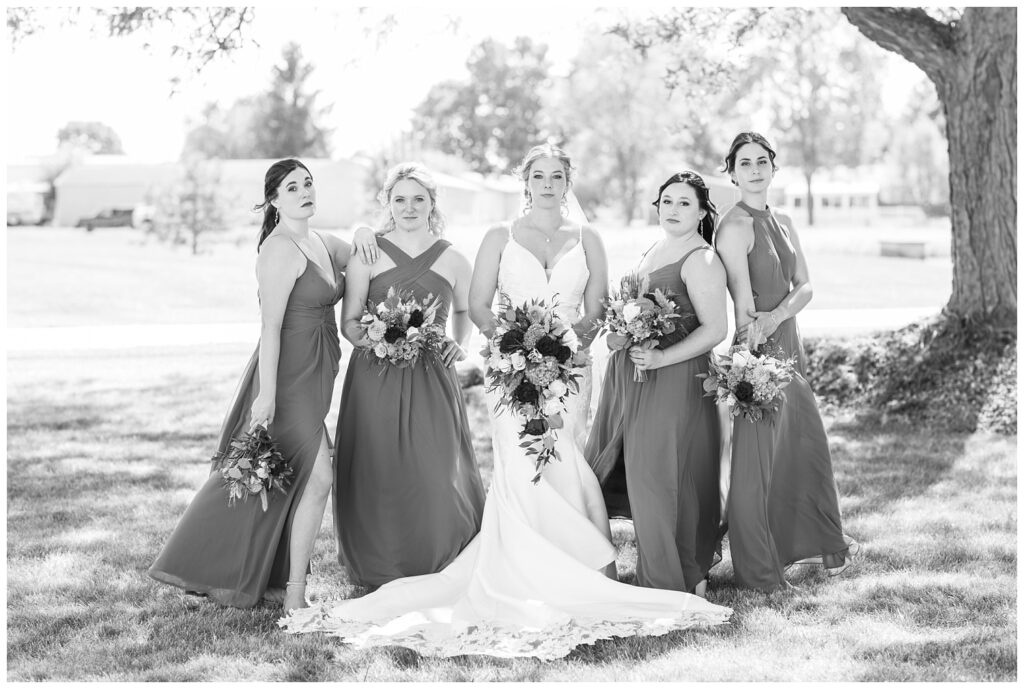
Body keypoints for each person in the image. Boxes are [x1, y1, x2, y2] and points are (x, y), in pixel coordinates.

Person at [279, 144, 731, 661]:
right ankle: (517, 566)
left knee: (565, 460)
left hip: (568, 373)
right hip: (509, 370)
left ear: (568, 180)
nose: (547, 183)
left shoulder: (590, 239)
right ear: (526, 182)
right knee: (520, 465)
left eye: (556, 175)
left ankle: (578, 565)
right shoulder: (498, 236)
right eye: (537, 175)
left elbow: (599, 307)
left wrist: (563, 349)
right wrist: (516, 346)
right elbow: (478, 304)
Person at [149, 158, 379, 613]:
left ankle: (277, 581)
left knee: (286, 479)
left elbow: (355, 253)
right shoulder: (278, 250)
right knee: (315, 478)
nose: (305, 192)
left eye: (308, 184)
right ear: (274, 200)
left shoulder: (315, 239)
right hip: (288, 377)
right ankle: (292, 593)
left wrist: (365, 228)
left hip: (318, 372)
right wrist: (267, 395)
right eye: (292, 188)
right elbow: (270, 329)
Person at [332, 163, 486, 588]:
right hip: (375, 376)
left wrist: (462, 343)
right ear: (388, 203)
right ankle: (382, 561)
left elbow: (462, 311)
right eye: (400, 198)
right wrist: (383, 342)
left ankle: (439, 554)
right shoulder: (369, 253)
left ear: (432, 204)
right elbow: (349, 323)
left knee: (435, 467)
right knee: (379, 466)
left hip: (433, 376)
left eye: (419, 198)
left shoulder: (454, 257)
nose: (409, 207)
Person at [715, 132, 857, 591]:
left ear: (773, 168)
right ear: (732, 172)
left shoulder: (786, 221)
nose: (754, 169)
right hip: (759, 353)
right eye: (744, 163)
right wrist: (748, 358)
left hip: (788, 341)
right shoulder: (734, 227)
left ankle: (814, 540)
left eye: (762, 161)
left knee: (804, 445)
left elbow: (806, 286)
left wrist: (778, 314)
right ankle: (757, 567)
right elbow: (740, 302)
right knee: (757, 461)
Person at [585, 171, 727, 598]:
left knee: (665, 477)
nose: (673, 210)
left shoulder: (701, 259)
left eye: (685, 203)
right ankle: (670, 568)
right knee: (638, 474)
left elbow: (715, 328)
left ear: (702, 212)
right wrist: (618, 335)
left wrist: (663, 355)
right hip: (634, 377)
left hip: (676, 380)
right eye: (667, 202)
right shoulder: (655, 249)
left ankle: (680, 575)